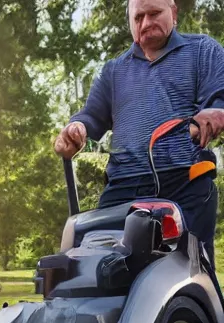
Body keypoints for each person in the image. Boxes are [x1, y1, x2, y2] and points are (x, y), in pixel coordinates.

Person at [54, 0, 224, 267]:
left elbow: (219, 99)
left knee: (191, 272)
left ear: (174, 13)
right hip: (122, 187)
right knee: (95, 267)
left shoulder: (203, 51)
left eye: (154, 13)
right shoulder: (114, 70)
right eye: (138, 17)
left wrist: (215, 112)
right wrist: (77, 129)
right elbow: (91, 116)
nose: (146, 23)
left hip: (184, 181)